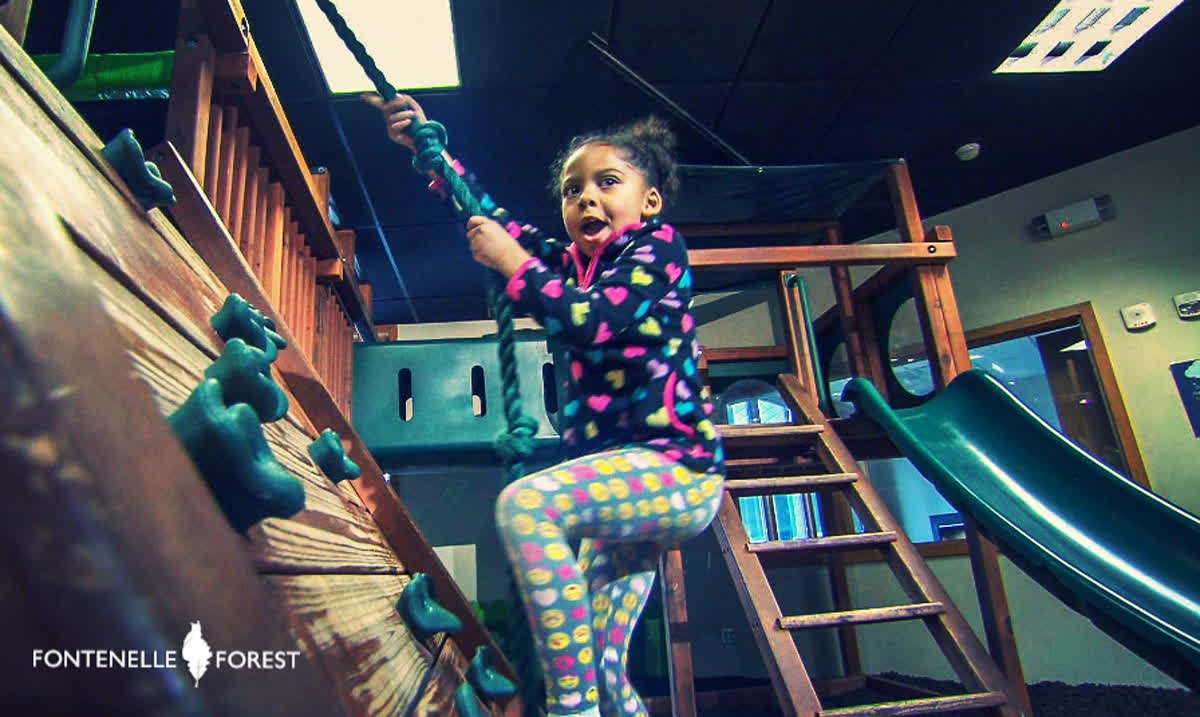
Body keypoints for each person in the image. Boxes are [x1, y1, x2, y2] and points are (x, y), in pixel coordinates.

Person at [368, 93, 725, 717]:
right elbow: (495, 222)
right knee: (607, 665)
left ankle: (570, 708)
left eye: (607, 182)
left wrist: (511, 263)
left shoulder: (657, 250)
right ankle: (598, 701)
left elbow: (590, 319)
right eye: (572, 190)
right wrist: (432, 153)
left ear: (649, 201)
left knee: (528, 506)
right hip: (624, 485)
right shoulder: (576, 264)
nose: (586, 198)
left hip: (677, 471)